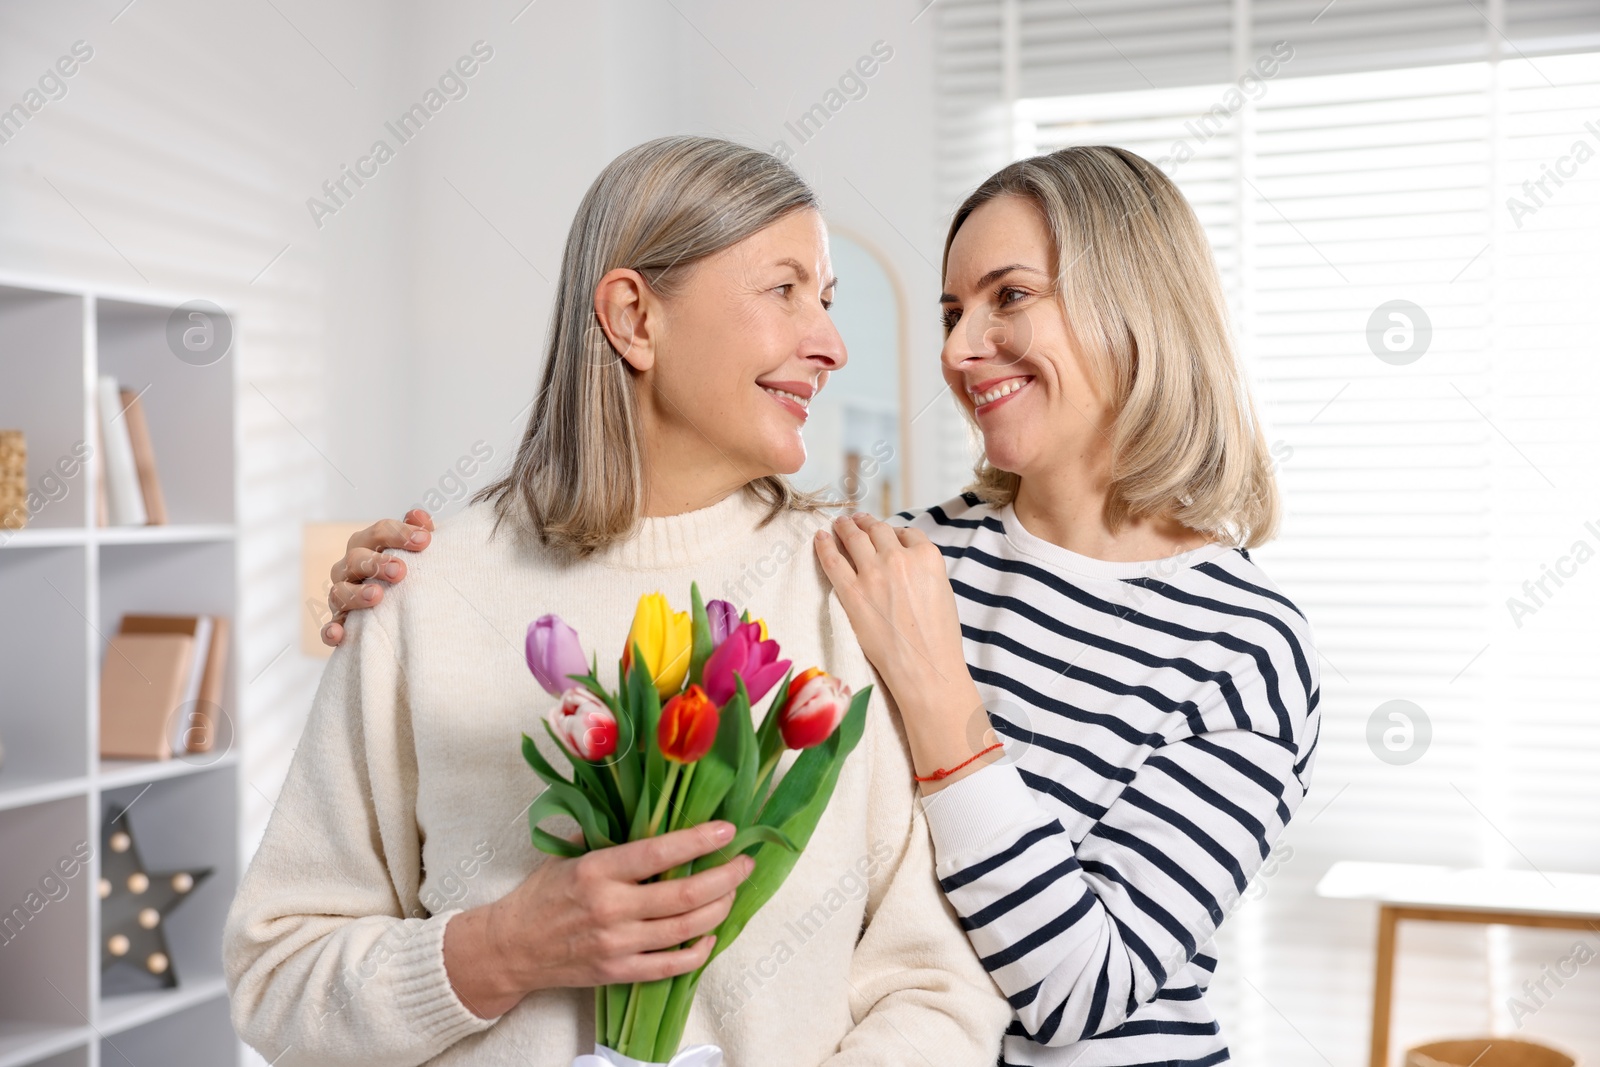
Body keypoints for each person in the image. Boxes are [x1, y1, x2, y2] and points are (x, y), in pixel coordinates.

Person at [327, 145, 1319, 1067]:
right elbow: (671, 576)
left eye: (1008, 297)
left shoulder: (1245, 647)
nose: (963, 350)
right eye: (948, 312)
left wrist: (944, 707)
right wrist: (418, 585)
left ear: (1136, 306)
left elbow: (1079, 988)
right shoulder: (889, 558)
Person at [223, 135, 1010, 1067]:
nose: (831, 344)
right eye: (785, 289)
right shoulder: (422, 592)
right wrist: (504, 946)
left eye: (828, 300)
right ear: (635, 318)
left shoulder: (852, 588)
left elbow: (939, 987)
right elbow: (277, 978)